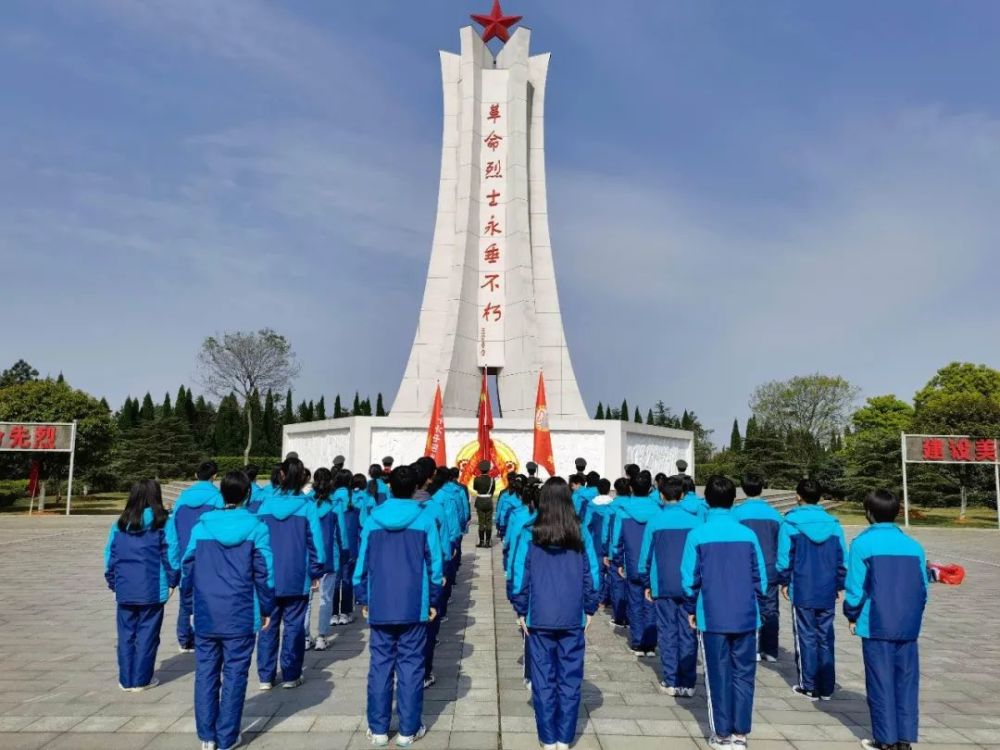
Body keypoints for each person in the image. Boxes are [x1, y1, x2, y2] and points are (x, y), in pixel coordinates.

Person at [181, 470, 275, 750]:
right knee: (235, 673)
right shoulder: (257, 527)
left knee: (206, 672)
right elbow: (265, 574)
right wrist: (267, 607)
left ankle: (207, 736)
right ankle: (227, 735)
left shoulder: (202, 527)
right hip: (241, 611)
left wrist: (188, 607)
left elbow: (188, 569)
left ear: (221, 492)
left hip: (207, 610)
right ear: (248, 494)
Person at [354, 465, 443, 748]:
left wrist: (363, 598)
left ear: (389, 486)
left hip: (380, 602)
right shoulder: (425, 518)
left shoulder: (373, 519)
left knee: (380, 666)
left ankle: (378, 730)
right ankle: (408, 729)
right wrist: (434, 600)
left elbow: (362, 564)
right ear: (416, 487)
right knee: (411, 667)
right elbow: (436, 565)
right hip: (414, 604)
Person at [511, 478, 600, 750]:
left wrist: (520, 607)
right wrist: (590, 607)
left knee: (543, 678)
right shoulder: (580, 532)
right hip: (572, 616)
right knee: (570, 679)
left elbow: (519, 577)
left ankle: (548, 737)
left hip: (539, 616)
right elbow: (592, 575)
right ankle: (565, 737)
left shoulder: (529, 532)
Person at [681, 475, 767, 750]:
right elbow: (761, 579)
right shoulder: (748, 535)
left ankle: (721, 734)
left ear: (707, 500)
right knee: (744, 674)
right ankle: (741, 734)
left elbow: (689, 580)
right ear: (733, 500)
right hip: (745, 614)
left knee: (717, 675)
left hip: (712, 614)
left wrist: (690, 608)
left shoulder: (697, 534)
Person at [843, 490, 928, 750]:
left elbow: (856, 588)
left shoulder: (862, 544)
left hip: (877, 622)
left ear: (868, 513)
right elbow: (923, 589)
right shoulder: (914, 546)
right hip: (908, 624)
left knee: (881, 682)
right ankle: (904, 739)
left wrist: (851, 614)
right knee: (906, 682)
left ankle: (885, 739)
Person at [254, 457, 326, 690]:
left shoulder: (264, 506)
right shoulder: (307, 507)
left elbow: (256, 543)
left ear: (281, 475)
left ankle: (265, 676)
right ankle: (291, 674)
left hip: (268, 576)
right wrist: (316, 570)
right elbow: (316, 543)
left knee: (267, 625)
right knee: (294, 626)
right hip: (297, 575)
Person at [777, 478, 847, 701]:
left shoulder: (790, 523)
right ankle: (826, 687)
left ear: (798, 496)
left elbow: (784, 558)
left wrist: (784, 581)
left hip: (803, 587)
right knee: (826, 636)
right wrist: (838, 584)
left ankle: (808, 684)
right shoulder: (834, 524)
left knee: (805, 635)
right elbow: (841, 558)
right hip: (827, 588)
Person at [104, 479, 176, 692]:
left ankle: (126, 679)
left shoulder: (119, 524)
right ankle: (142, 679)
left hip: (125, 587)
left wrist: (113, 583)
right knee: (147, 634)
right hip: (152, 588)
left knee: (126, 634)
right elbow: (171, 554)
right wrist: (173, 581)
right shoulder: (163, 522)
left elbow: (110, 557)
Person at [638, 476, 701, 696]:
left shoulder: (655, 521)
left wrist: (646, 582)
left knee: (667, 632)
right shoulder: (695, 521)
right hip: (690, 585)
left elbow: (645, 556)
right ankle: (688, 682)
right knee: (688, 632)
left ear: (661, 496)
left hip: (662, 583)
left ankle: (671, 679)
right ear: (683, 495)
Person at [166, 460, 223, 652]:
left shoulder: (182, 499)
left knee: (185, 599)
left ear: (196, 476)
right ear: (214, 477)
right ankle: (204, 636)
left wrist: (174, 561)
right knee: (207, 599)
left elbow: (172, 532)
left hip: (184, 555)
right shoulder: (218, 499)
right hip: (209, 557)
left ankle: (184, 638)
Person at [731, 472, 784, 662]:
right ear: (762, 487)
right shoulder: (776, 515)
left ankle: (750, 647)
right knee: (770, 609)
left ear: (743, 489)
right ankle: (769, 650)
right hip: (769, 568)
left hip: (743, 569)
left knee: (746, 608)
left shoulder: (736, 514)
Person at [608, 473, 660, 656]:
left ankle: (637, 641)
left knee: (635, 602)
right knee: (651, 601)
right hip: (654, 564)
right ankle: (650, 642)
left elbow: (617, 540)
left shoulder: (623, 510)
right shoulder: (658, 510)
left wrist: (617, 561)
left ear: (631, 488)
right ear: (650, 488)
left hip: (631, 561)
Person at [305, 468, 342, 652]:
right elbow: (342, 534)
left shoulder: (305, 502)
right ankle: (321, 636)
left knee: (308, 599)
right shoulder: (336, 503)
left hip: (308, 557)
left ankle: (305, 637)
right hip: (330, 556)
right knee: (326, 598)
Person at [582, 478, 615, 611]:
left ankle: (599, 599)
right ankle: (608, 598)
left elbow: (586, 525)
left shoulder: (591, 505)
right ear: (608, 489)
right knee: (612, 572)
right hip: (612, 543)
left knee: (598, 572)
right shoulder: (614, 505)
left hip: (596, 543)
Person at [335, 469, 362, 626]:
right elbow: (363, 524)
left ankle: (333, 613)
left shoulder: (329, 499)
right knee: (347, 579)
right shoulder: (357, 499)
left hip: (333, 546)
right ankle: (345, 611)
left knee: (334, 581)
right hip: (351, 545)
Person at [606, 477, 632, 627]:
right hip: (635, 551)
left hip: (617, 551)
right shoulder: (633, 506)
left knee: (618, 585)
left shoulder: (613, 508)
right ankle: (630, 617)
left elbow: (609, 533)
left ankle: (619, 616)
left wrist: (608, 552)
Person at [473, 461, 496, 548]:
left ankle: (481, 542)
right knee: (489, 522)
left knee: (481, 522)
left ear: (480, 469)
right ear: (488, 469)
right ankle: (488, 542)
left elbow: (475, 488)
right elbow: (493, 490)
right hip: (488, 501)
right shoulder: (492, 480)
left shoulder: (477, 479)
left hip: (480, 501)